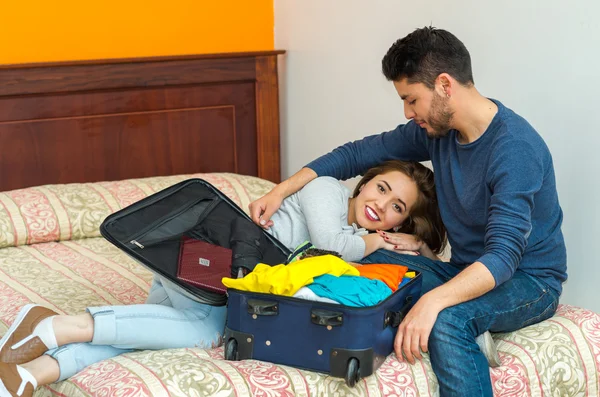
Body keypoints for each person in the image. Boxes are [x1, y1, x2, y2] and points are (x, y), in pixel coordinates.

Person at [247, 27, 566, 397]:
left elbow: (504, 256)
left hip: (528, 281)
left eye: (411, 99)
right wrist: (281, 190)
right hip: (465, 270)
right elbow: (355, 155)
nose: (407, 112)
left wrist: (434, 299)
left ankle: (463, 325)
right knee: (369, 255)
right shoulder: (439, 133)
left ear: (445, 85)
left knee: (447, 319)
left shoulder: (515, 150)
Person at [0, 160, 446, 396]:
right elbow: (332, 241)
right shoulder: (325, 189)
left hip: (207, 284)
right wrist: (377, 241)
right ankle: (60, 325)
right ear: (364, 182)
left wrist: (418, 247)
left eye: (396, 209)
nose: (382, 206)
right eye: (381, 189)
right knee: (207, 332)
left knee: (146, 339)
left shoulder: (359, 240)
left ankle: (38, 371)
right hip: (210, 267)